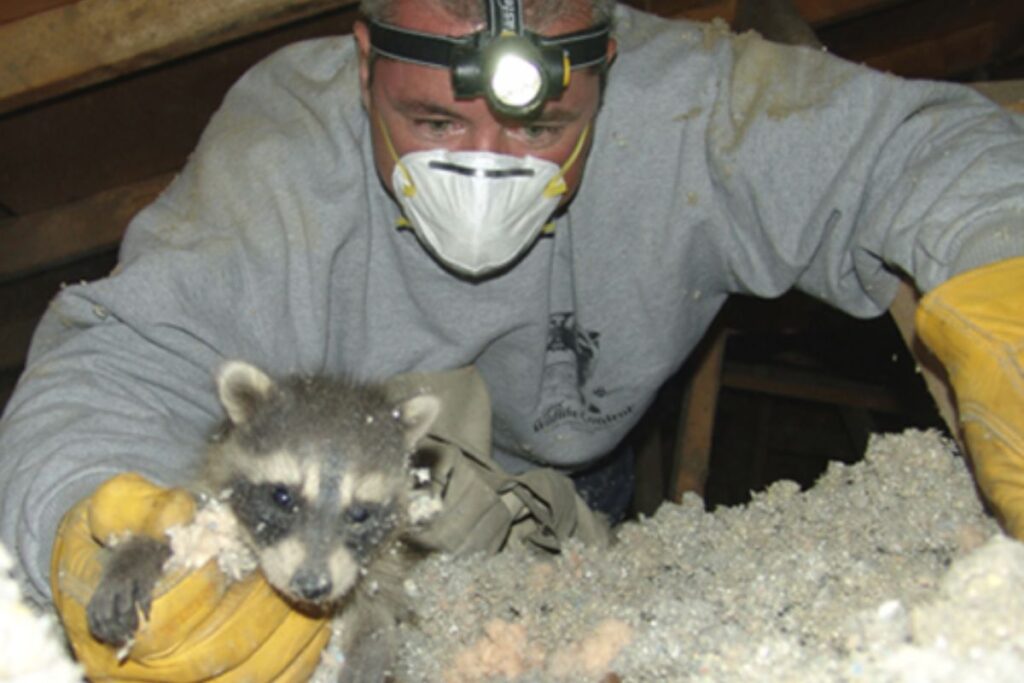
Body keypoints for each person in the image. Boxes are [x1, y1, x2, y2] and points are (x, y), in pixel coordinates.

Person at [2, 0, 1023, 676]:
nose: (488, 165)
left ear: (607, 65)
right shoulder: (284, 147)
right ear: (363, 64)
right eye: (436, 124)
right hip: (339, 483)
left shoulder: (692, 107)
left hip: (572, 473)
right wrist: (85, 517)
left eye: (540, 128)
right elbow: (112, 360)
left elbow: (920, 149)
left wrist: (1004, 273)